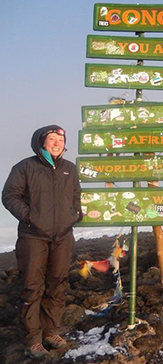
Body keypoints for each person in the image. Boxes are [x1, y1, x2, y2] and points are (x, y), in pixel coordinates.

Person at [2, 125, 82, 358]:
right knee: (32, 286)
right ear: (41, 142)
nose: (57, 143)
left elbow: (76, 195)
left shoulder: (70, 169)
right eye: (52, 139)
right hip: (33, 236)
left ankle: (50, 331)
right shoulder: (26, 167)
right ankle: (33, 338)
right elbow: (9, 196)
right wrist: (29, 217)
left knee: (57, 283)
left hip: (63, 237)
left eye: (60, 139)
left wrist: (76, 214)